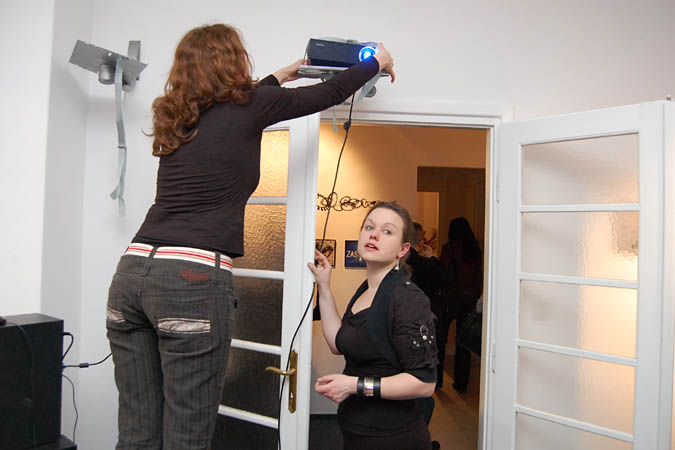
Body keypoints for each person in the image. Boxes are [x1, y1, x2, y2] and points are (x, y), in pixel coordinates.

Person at [105, 23, 395, 450]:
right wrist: (376, 62)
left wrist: (280, 76)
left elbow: (236, 108)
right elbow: (328, 93)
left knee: (137, 431)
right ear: (234, 62)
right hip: (190, 281)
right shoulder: (249, 107)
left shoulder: (177, 116)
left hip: (130, 276)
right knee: (187, 436)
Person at [308, 202, 438, 450]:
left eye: (387, 231)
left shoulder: (408, 299)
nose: (374, 235)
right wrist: (324, 285)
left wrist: (354, 385)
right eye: (369, 227)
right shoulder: (366, 291)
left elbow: (424, 383)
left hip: (393, 437)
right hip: (357, 432)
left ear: (403, 249)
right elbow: (337, 342)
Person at [439, 217, 483, 393]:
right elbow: (478, 276)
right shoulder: (474, 251)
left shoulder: (449, 249)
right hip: (468, 300)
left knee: (440, 339)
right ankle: (461, 382)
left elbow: (443, 274)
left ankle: (436, 380)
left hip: (451, 298)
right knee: (462, 343)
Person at [407, 222, 450, 388]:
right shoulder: (426, 264)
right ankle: (433, 382)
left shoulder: (397, 262)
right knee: (432, 351)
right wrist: (432, 257)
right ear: (420, 243)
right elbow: (445, 281)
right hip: (428, 315)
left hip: (405, 317)